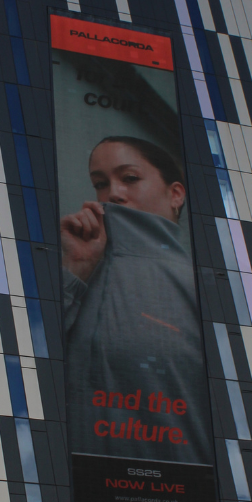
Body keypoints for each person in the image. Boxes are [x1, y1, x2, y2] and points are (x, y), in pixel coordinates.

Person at [60, 136, 211, 465]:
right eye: (100, 184)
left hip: (184, 492)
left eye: (129, 178)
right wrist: (76, 270)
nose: (113, 193)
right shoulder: (79, 269)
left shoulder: (209, 290)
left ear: (175, 194)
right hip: (77, 490)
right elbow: (27, 362)